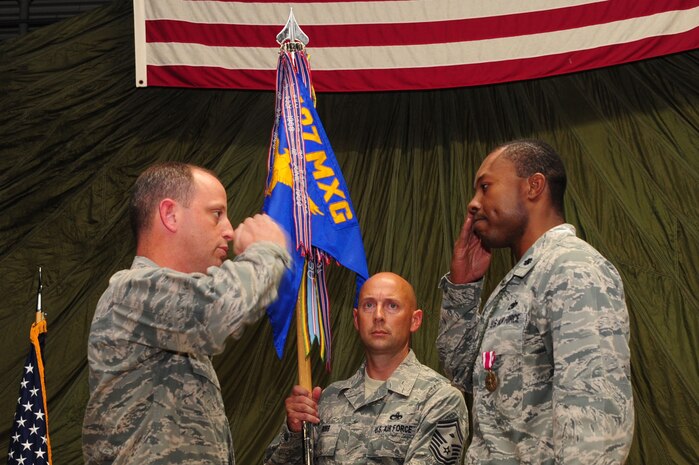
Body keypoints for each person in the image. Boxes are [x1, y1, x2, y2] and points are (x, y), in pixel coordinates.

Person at [437, 139, 634, 464]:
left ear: (534, 186)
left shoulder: (572, 269)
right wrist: (463, 285)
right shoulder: (521, 281)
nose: (473, 204)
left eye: (485, 187)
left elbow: (596, 427)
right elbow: (462, 371)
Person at [82, 162, 291, 465]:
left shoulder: (172, 319)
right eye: (216, 214)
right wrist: (267, 251)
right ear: (170, 214)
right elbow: (221, 308)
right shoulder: (130, 293)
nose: (229, 231)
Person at [265, 272, 468, 465]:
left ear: (415, 320)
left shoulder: (440, 399)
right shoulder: (327, 400)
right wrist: (295, 432)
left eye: (392, 306)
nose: (378, 316)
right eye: (369, 305)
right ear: (356, 319)